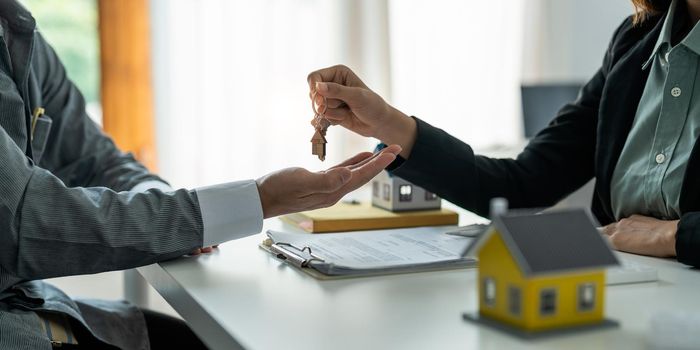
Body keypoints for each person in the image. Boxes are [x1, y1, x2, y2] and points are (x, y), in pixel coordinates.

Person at [0, 2, 401, 349]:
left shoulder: (19, 32)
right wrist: (255, 200)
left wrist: (173, 214)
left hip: (36, 306)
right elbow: (25, 221)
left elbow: (99, 159)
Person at [307, 0, 700, 268]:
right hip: (622, 286)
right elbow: (520, 185)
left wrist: (674, 236)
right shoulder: (634, 40)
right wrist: (386, 122)